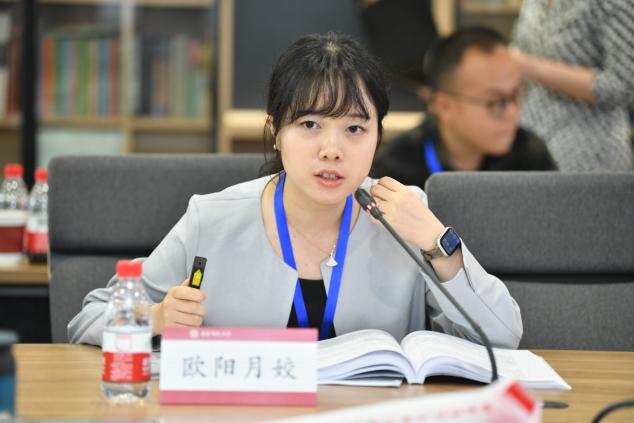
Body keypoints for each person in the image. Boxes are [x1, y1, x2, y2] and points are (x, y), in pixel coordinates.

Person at [68, 33, 522, 349]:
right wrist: (157, 318)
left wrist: (438, 242)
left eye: (355, 129)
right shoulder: (213, 218)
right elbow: (89, 318)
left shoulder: (404, 217)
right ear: (275, 132)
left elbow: (503, 335)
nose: (332, 150)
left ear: (378, 137)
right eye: (309, 125)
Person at [372, 27, 556, 190]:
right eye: (497, 102)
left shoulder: (530, 158)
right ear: (444, 105)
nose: (513, 113)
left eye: (516, 95)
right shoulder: (393, 171)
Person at [512, 0, 634, 171]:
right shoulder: (534, 3)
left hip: (586, 152)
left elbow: (623, 85)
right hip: (528, 141)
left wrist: (532, 68)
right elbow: (519, 49)